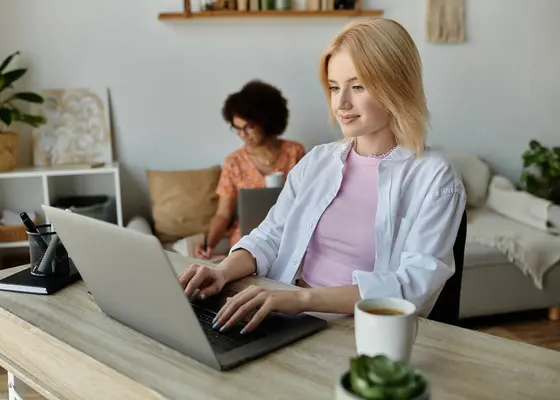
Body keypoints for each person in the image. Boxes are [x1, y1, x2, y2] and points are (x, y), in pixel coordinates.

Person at [180, 18, 466, 334]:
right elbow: (272, 235)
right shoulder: (317, 161)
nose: (341, 103)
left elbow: (412, 285)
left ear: (396, 86)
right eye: (334, 87)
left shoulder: (434, 178)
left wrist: (299, 299)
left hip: (363, 331)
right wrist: (222, 272)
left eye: (358, 86)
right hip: (290, 316)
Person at [194, 80, 306, 260]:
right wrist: (209, 244)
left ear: (266, 122)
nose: (243, 134)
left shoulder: (295, 152)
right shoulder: (234, 162)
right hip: (247, 239)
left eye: (249, 127)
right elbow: (223, 214)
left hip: (288, 234)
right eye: (237, 128)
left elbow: (308, 201)